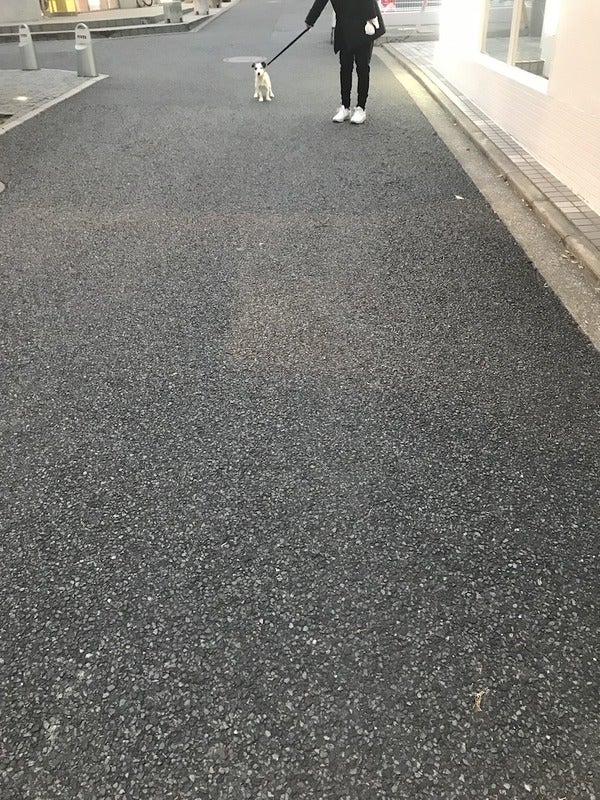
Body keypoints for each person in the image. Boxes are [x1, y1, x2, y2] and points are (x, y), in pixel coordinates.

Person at [305, 0, 385, 124]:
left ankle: (361, 107)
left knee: (362, 67)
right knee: (345, 67)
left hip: (364, 24)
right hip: (344, 26)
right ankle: (345, 106)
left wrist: (371, 18)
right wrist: (310, 20)